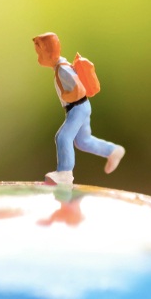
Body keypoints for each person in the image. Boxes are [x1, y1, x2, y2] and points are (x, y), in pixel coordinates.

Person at [33, 32, 125, 186]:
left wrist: (66, 96)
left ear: (48, 52)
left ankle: (65, 173)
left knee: (63, 137)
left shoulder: (63, 70)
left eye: (39, 53)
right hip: (81, 107)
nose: (38, 58)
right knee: (83, 141)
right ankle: (113, 151)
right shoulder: (61, 67)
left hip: (77, 107)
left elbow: (79, 90)